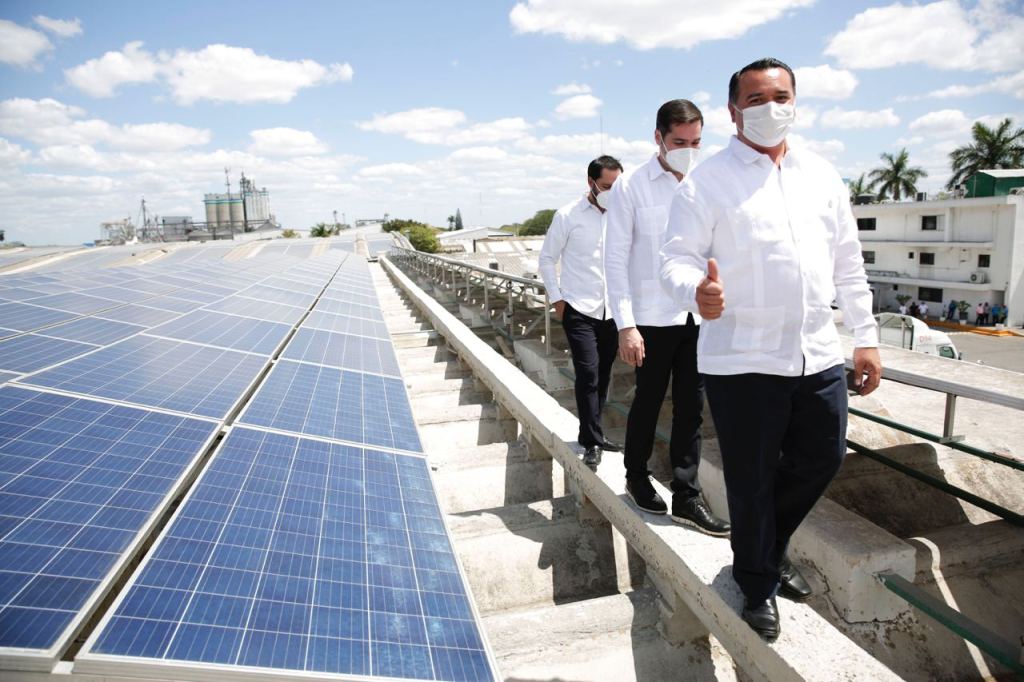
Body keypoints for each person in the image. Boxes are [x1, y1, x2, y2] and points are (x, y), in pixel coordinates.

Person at [660, 58, 881, 642]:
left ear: (795, 103)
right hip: (743, 360)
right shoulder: (707, 182)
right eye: (755, 100)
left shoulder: (822, 175)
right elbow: (675, 259)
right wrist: (696, 291)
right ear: (734, 112)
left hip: (818, 353)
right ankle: (757, 584)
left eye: (780, 96)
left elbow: (848, 263)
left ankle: (763, 549)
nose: (770, 108)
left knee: (823, 458)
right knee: (751, 478)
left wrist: (866, 337)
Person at [604, 99, 730, 536]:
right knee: (649, 400)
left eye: (696, 142)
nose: (688, 151)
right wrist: (626, 325)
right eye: (679, 142)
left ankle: (686, 495)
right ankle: (636, 476)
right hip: (652, 317)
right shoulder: (631, 187)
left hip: (697, 316)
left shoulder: (706, 181)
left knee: (692, 408)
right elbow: (615, 259)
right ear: (658, 137)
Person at [539, 155, 624, 471]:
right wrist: (558, 300)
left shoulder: (622, 215)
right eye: (607, 186)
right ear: (591, 182)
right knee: (588, 373)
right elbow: (547, 259)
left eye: (618, 186)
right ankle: (591, 442)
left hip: (613, 311)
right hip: (579, 309)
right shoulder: (568, 215)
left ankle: (594, 434)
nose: (613, 192)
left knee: (603, 375)